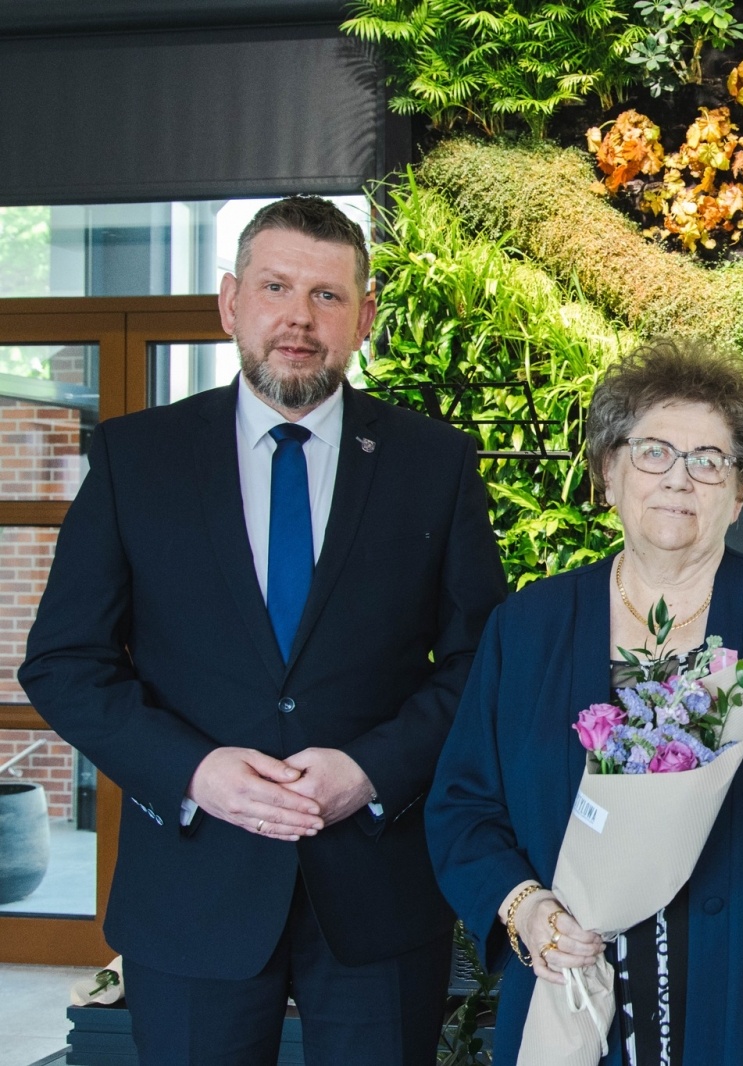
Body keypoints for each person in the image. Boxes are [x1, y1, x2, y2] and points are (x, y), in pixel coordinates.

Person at [18, 195, 507, 1066]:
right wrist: (194, 772)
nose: (298, 319)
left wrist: (371, 769)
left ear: (364, 320)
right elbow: (63, 663)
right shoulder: (138, 458)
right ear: (229, 302)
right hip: (194, 887)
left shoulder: (434, 463)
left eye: (326, 296)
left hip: (377, 887)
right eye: (276, 287)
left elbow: (483, 659)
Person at [425, 338, 743, 1066]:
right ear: (607, 472)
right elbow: (462, 804)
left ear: (741, 492)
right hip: (573, 983)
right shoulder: (528, 627)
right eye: (652, 453)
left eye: (710, 460)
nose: (680, 480)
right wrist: (526, 908)